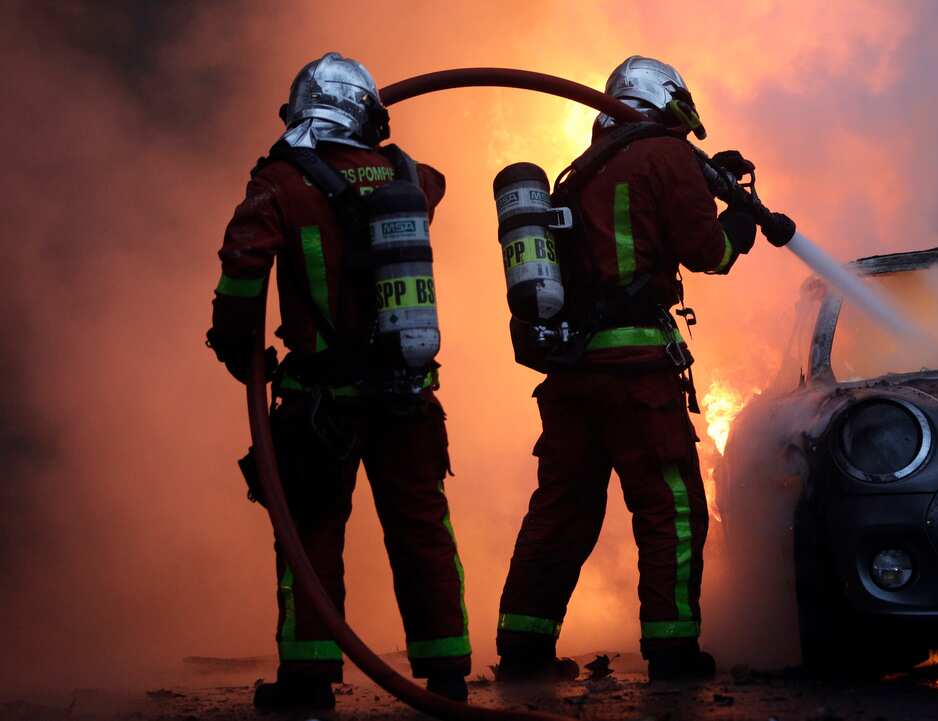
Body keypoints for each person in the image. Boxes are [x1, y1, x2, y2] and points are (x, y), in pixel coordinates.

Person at [495, 55, 782, 682]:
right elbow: (709, 253)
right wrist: (739, 219)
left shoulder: (579, 173)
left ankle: (523, 648)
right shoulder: (665, 154)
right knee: (670, 505)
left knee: (563, 508)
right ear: (669, 98)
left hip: (572, 374)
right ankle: (673, 651)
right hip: (636, 374)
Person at [206, 52, 470, 708]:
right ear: (366, 113)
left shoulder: (282, 180)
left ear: (302, 112)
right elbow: (434, 182)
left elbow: (244, 262)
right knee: (422, 529)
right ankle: (447, 674)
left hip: (321, 400)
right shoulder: (407, 175)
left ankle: (309, 679)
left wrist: (239, 347)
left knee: (313, 528)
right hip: (408, 396)